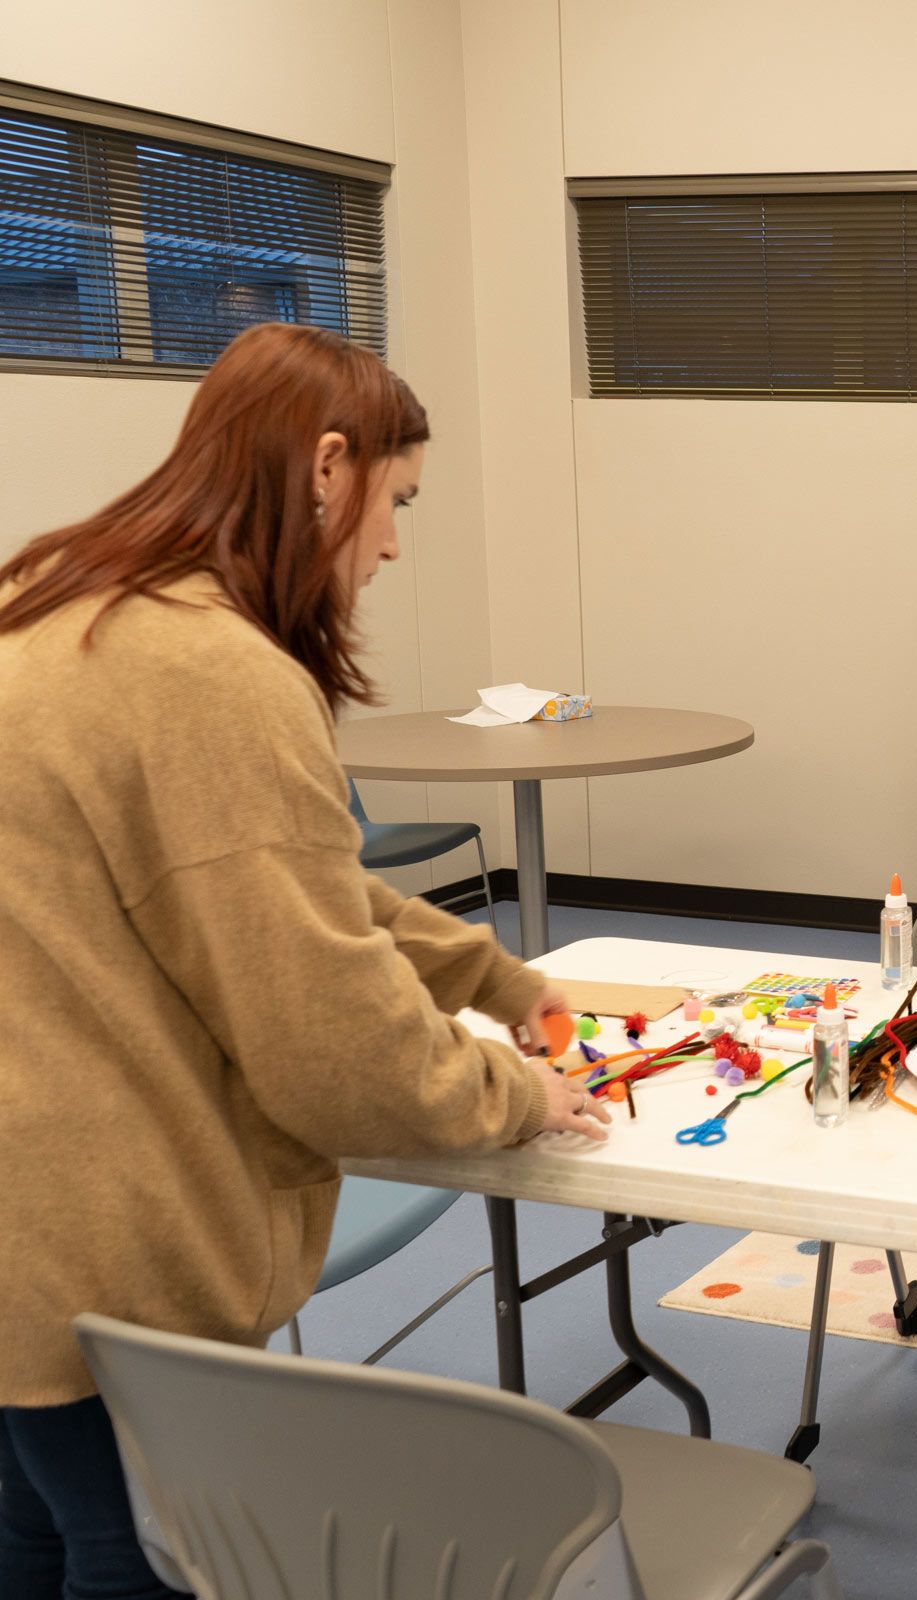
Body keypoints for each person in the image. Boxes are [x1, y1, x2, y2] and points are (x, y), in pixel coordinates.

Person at [0, 323, 610, 1600]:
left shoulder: (54, 600)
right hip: (103, 1260)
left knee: (33, 1540)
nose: (391, 546)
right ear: (327, 467)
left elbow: (276, 889)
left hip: (23, 1246)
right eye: (398, 502)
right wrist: (517, 1091)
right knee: (136, 1561)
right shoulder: (210, 671)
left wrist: (497, 979)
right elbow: (335, 1050)